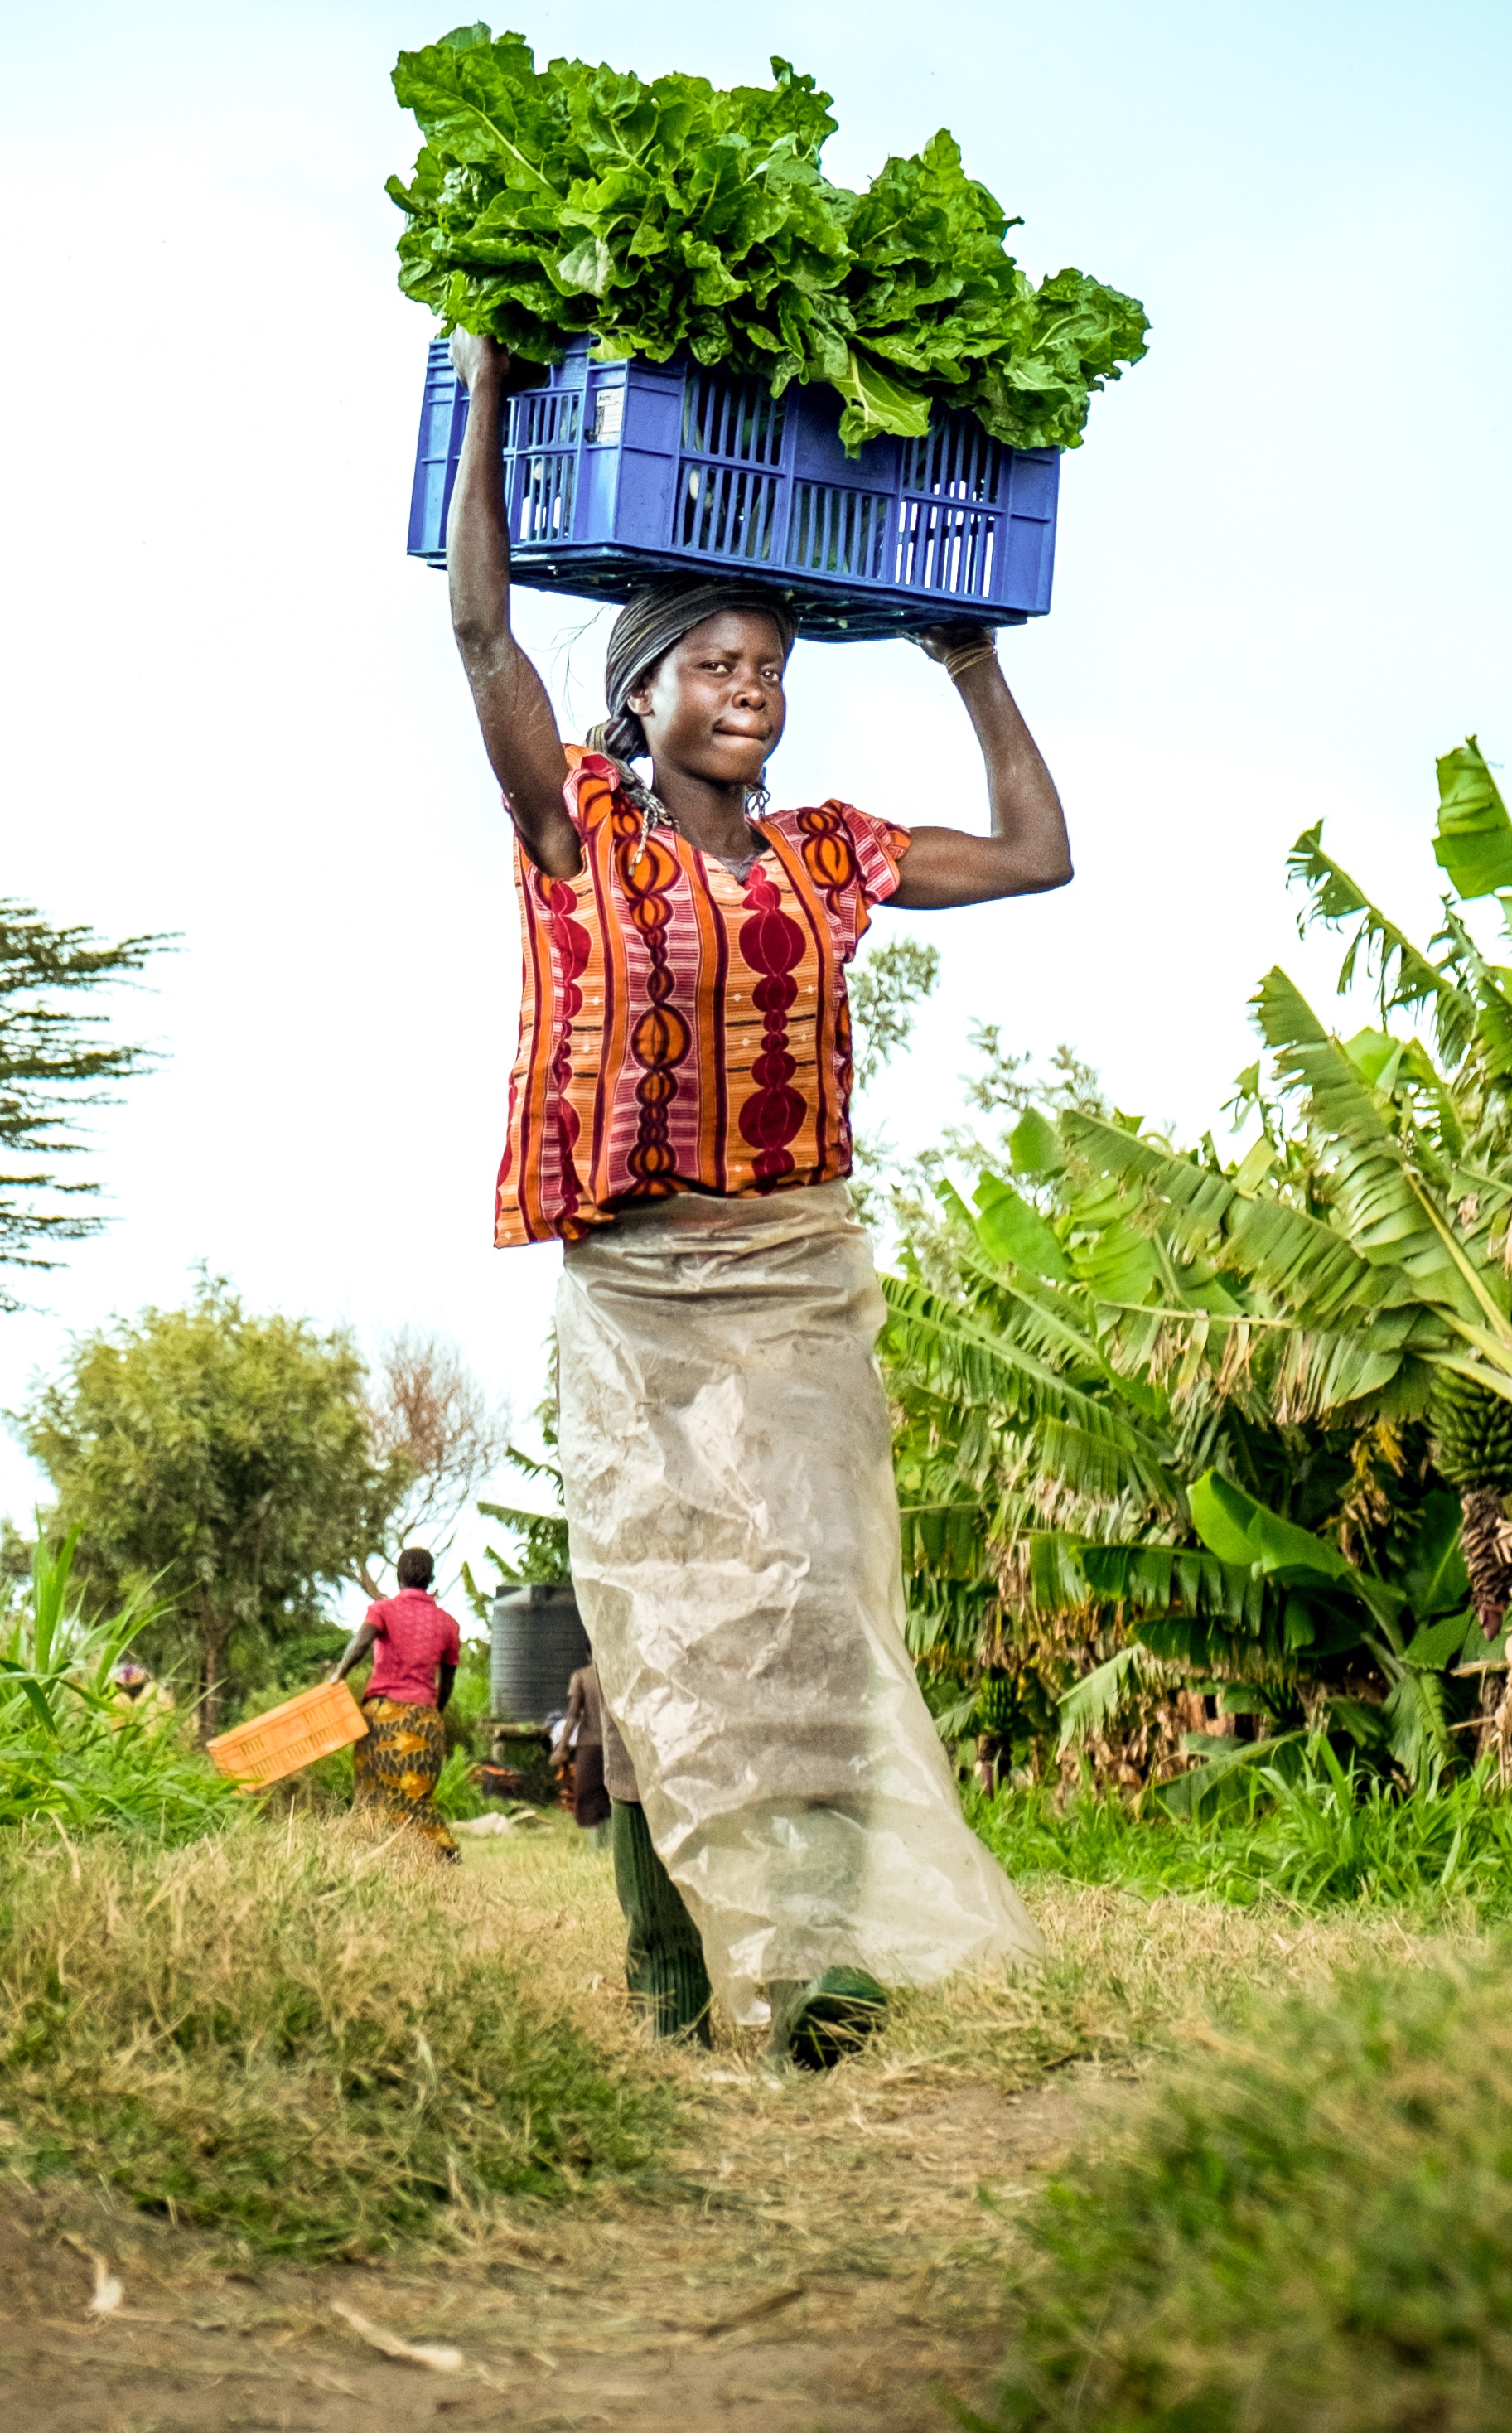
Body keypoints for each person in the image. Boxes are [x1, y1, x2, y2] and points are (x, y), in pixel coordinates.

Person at [444, 331, 1060, 2064]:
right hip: (639, 1290)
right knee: (652, 1632)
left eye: (771, 665)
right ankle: (675, 1975)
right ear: (639, 698)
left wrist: (970, 664)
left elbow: (1035, 857)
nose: (751, 688)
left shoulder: (827, 855)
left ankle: (812, 1985)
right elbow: (483, 631)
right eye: (714, 664)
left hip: (793, 1282)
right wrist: (492, 387)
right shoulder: (578, 835)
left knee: (807, 1622)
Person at [555, 1658, 707, 2042]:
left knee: (601, 1796)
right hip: (627, 1737)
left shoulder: (586, 1673)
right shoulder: (596, 1672)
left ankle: (669, 2014)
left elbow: (572, 1713)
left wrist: (561, 1746)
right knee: (613, 1794)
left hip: (603, 1742)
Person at [328, 1547, 463, 1859]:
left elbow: (361, 1642)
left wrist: (339, 1674)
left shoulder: (383, 1610)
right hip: (425, 1718)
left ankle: (376, 1852)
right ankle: (437, 1851)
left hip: (382, 1717)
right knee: (416, 1795)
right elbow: (449, 1682)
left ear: (398, 1576)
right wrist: (432, 1716)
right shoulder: (449, 1624)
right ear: (431, 1578)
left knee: (371, 1793)